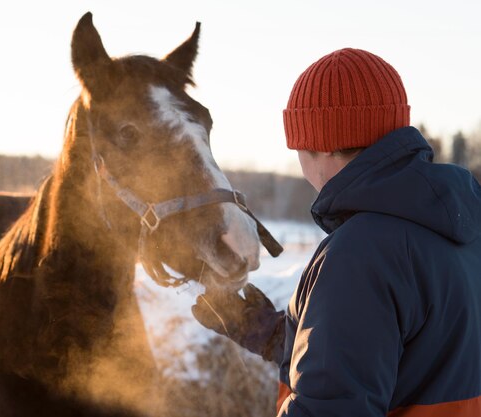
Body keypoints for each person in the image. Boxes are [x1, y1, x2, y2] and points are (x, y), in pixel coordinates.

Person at [192, 48, 481, 416]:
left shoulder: (364, 251)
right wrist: (270, 334)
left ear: (321, 144)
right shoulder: (463, 227)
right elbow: (409, 356)